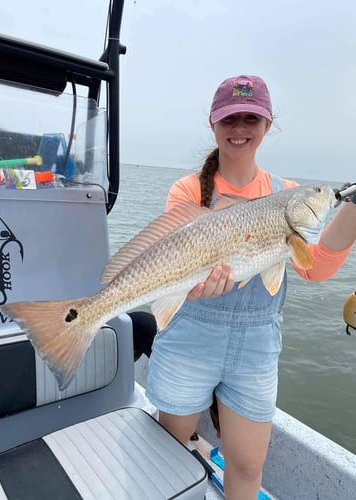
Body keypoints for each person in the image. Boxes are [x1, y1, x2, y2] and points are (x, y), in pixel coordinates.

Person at [145, 75, 356, 500]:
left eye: (251, 119)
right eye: (230, 118)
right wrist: (192, 287)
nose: (239, 128)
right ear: (213, 123)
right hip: (189, 339)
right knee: (168, 457)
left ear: (267, 124)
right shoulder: (187, 190)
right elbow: (170, 266)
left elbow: (313, 269)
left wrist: (351, 207)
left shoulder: (287, 194)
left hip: (256, 350)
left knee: (248, 465)